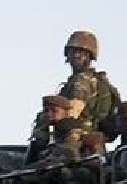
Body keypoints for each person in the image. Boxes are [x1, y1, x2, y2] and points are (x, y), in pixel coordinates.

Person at [29, 31, 121, 161]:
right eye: (74, 51)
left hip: (76, 140)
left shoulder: (82, 81)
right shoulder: (93, 80)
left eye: (82, 53)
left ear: (90, 56)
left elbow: (71, 114)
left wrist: (45, 119)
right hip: (87, 141)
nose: (77, 55)